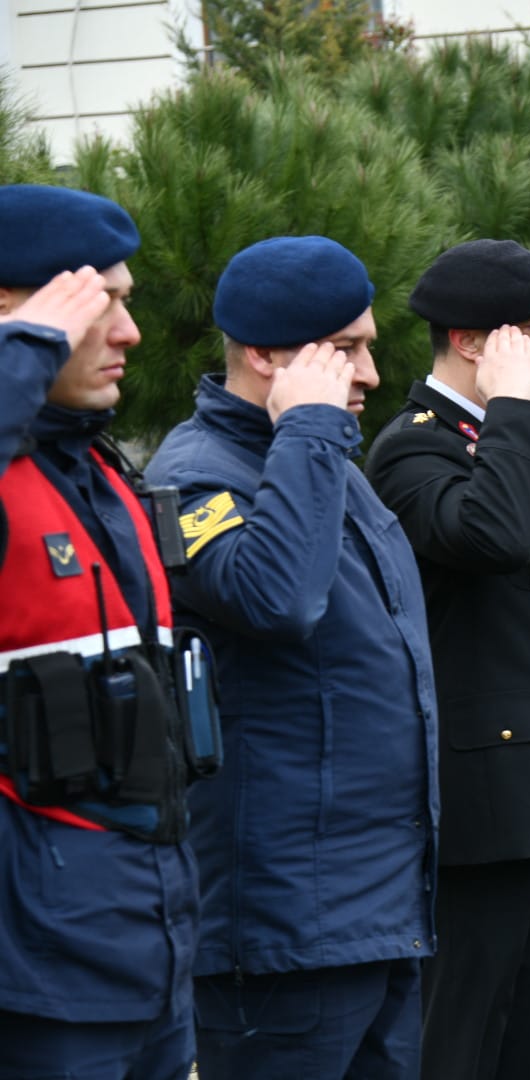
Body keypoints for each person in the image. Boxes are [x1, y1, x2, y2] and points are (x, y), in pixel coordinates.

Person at [146, 236, 438, 1080]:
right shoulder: (198, 477)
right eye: (346, 349)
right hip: (284, 933)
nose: (370, 373)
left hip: (374, 911)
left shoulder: (322, 459)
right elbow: (277, 600)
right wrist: (308, 427)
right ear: (266, 356)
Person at [366, 239, 530, 1080]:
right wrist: (513, 411)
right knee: (460, 1045)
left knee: (520, 1042)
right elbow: (493, 539)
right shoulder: (413, 450)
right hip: (483, 810)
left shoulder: (496, 439)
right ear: (471, 342)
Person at [0, 185, 211, 1080]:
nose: (129, 333)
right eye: (97, 304)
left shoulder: (97, 472)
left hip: (147, 947)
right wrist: (23, 349)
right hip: (37, 976)